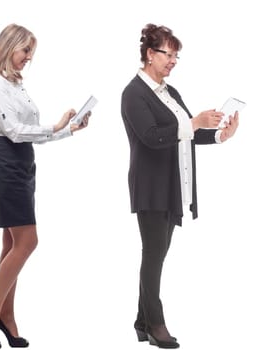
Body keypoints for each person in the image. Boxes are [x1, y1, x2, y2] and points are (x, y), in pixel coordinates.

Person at [0, 23, 90, 349]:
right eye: (25, 50)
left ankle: (6, 316)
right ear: (9, 47)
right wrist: (55, 126)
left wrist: (68, 129)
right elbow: (15, 131)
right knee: (27, 241)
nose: (28, 58)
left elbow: (31, 131)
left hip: (23, 163)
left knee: (12, 244)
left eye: (30, 53)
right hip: (5, 162)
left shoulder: (16, 85)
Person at [121, 23, 239, 349]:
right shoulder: (133, 93)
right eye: (167, 54)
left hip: (171, 186)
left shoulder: (170, 93)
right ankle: (156, 324)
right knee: (154, 255)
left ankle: (141, 322)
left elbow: (188, 132)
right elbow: (152, 137)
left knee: (157, 254)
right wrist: (193, 122)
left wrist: (218, 134)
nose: (173, 60)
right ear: (150, 54)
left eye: (176, 55)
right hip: (151, 187)